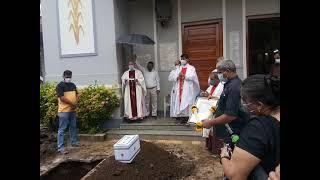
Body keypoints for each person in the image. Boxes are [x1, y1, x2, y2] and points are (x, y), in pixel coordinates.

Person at [219, 74, 280, 179]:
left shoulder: (258, 128)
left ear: (259, 105)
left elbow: (235, 175)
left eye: (245, 101)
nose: (242, 104)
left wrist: (224, 156)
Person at [202, 60, 248, 148]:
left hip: (233, 130)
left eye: (220, 72)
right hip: (227, 129)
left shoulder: (234, 87)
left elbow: (230, 115)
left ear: (227, 71)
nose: (219, 75)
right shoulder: (228, 84)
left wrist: (210, 122)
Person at [168, 54, 200, 124]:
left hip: (187, 89)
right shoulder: (178, 68)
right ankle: (182, 117)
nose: (182, 60)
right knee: (179, 102)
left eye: (184, 58)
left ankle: (188, 117)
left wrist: (184, 76)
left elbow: (193, 77)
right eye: (181, 58)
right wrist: (177, 76)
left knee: (187, 102)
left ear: (188, 59)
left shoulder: (191, 68)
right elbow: (172, 77)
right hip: (179, 88)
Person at [56, 70, 80, 154]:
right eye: (67, 76)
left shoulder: (73, 85)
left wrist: (76, 102)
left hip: (72, 110)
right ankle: (61, 147)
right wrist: (72, 103)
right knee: (62, 129)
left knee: (73, 126)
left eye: (69, 76)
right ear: (63, 76)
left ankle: (74, 142)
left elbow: (77, 94)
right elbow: (62, 97)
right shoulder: (60, 85)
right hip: (64, 111)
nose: (68, 78)